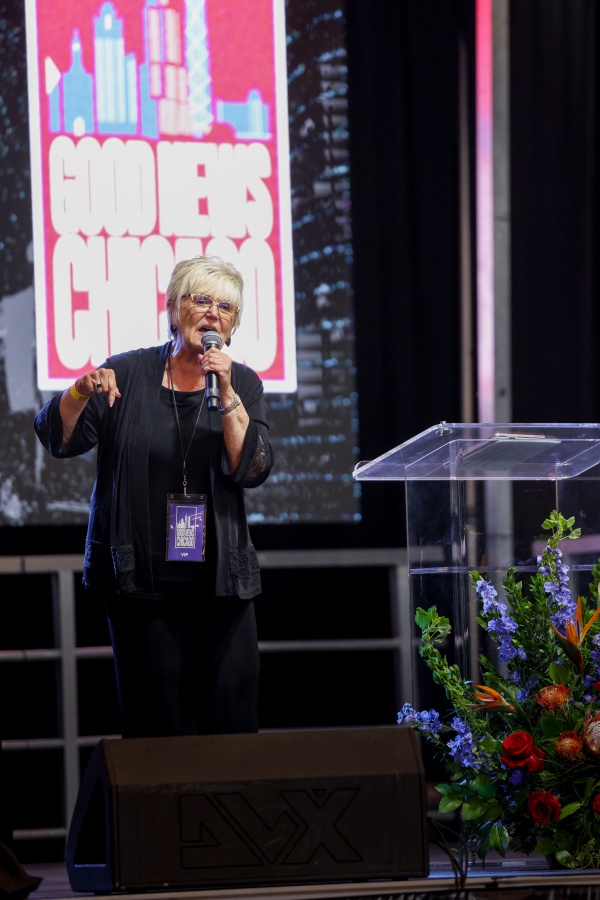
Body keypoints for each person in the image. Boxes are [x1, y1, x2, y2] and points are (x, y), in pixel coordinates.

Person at [35, 256, 273, 738]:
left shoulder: (242, 382)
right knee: (157, 730)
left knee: (233, 726)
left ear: (233, 325)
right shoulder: (126, 373)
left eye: (226, 307)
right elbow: (58, 439)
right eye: (201, 299)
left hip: (220, 586)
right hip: (142, 586)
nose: (213, 313)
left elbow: (252, 468)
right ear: (172, 308)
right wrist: (79, 391)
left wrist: (227, 391)